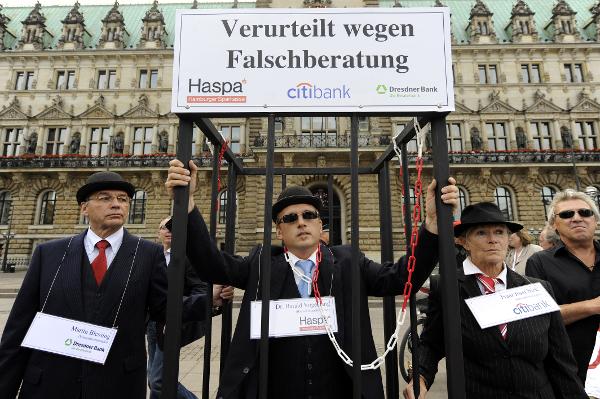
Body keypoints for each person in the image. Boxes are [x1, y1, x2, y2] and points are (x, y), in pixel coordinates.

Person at [166, 159, 459, 399]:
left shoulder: (347, 261)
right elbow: (210, 263)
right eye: (290, 218)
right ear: (279, 232)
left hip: (339, 388)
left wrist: (431, 226)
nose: (301, 222)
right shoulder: (261, 263)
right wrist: (187, 202)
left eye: (308, 215)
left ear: (320, 225)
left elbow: (399, 278)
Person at [0, 171, 207, 399]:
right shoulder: (48, 254)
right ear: (84, 208)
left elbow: (167, 308)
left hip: (117, 384)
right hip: (50, 382)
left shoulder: (149, 254)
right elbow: (18, 327)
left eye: (123, 199)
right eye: (105, 198)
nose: (116, 204)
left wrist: (211, 298)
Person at [404, 202, 586, 399]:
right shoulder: (447, 287)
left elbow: (561, 360)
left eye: (499, 232)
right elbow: (431, 343)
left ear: (508, 239)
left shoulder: (537, 289)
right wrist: (420, 377)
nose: (492, 240)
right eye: (481, 233)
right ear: (464, 242)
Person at [147, 217, 235, 399]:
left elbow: (200, 289)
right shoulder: (153, 256)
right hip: (152, 325)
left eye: (173, 227)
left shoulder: (186, 259)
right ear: (159, 232)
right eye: (165, 227)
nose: (169, 231)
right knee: (153, 379)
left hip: (173, 324)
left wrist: (180, 308)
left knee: (159, 380)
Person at [526, 189, 600, 383]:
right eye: (567, 215)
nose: (577, 218)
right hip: (569, 371)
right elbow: (538, 317)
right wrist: (592, 306)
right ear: (554, 225)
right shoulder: (540, 262)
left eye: (585, 213)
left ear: (595, 220)